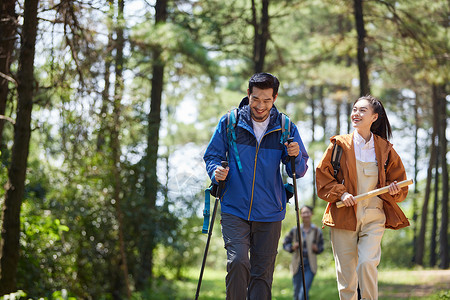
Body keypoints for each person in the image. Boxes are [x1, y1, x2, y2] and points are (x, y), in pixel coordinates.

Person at [203, 72, 309, 299]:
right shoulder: (230, 122)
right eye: (256, 99)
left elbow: (297, 171)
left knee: (262, 275)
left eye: (267, 100)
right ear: (248, 94)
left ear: (275, 97)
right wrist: (216, 172)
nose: (260, 106)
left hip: (270, 211)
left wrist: (296, 155)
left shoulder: (285, 126)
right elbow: (211, 156)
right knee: (238, 261)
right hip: (234, 208)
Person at [315, 95, 410, 300]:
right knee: (347, 278)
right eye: (354, 109)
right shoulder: (338, 145)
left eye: (362, 110)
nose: (355, 114)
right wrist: (343, 193)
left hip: (374, 216)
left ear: (375, 117)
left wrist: (393, 189)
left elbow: (399, 184)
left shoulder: (385, 149)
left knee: (367, 263)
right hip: (343, 216)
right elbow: (323, 179)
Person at [283, 205, 324, 300]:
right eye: (303, 213)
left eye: (307, 212)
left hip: (310, 265)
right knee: (296, 293)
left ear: (311, 214)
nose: (305, 214)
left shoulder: (317, 231)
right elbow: (285, 244)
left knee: (303, 293)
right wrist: (292, 247)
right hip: (297, 265)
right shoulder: (295, 230)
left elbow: (321, 247)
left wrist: (317, 249)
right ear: (300, 215)